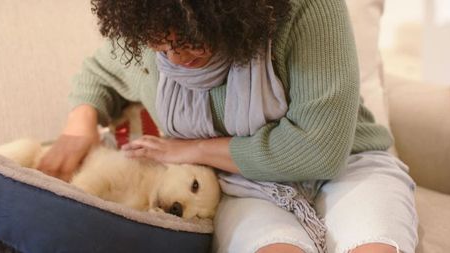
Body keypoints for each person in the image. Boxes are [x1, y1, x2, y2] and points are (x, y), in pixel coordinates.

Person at [38, 0, 418, 252]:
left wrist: (197, 148)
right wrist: (80, 125)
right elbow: (98, 72)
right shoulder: (153, 22)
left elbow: (319, 150)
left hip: (348, 166)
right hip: (242, 187)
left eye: (191, 44)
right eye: (162, 47)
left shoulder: (308, 9)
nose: (175, 58)